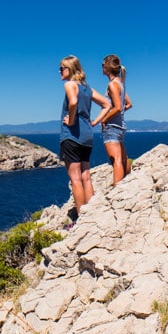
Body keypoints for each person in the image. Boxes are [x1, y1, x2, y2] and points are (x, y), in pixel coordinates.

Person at [59, 55, 110, 216]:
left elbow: (73, 102)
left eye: (62, 68)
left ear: (70, 69)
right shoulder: (87, 88)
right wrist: (94, 122)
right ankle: (92, 213)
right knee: (86, 176)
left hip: (72, 135)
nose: (59, 71)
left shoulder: (70, 85)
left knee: (75, 179)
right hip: (87, 135)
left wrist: (71, 120)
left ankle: (81, 218)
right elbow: (107, 104)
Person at [94, 54, 133, 185]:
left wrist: (104, 119)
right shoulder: (121, 84)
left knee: (115, 160)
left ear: (108, 67)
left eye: (103, 65)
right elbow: (128, 104)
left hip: (111, 127)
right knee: (123, 159)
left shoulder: (112, 85)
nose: (102, 67)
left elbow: (117, 107)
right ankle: (127, 184)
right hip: (121, 126)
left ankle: (118, 189)